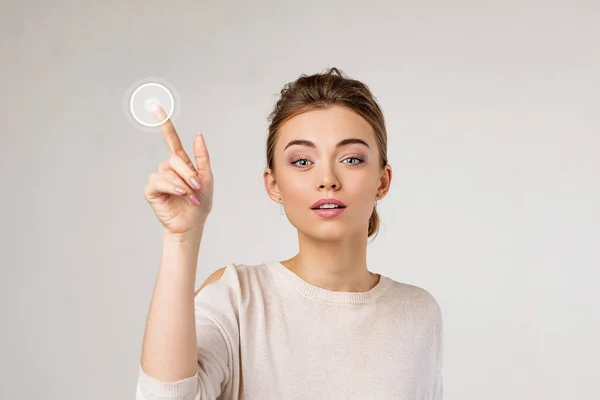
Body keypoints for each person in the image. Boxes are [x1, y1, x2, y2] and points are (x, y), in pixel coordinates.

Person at [136, 68, 443, 400]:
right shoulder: (238, 298)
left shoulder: (417, 312)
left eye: (351, 158)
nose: (327, 178)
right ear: (274, 185)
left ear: (382, 182)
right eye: (302, 161)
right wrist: (181, 236)